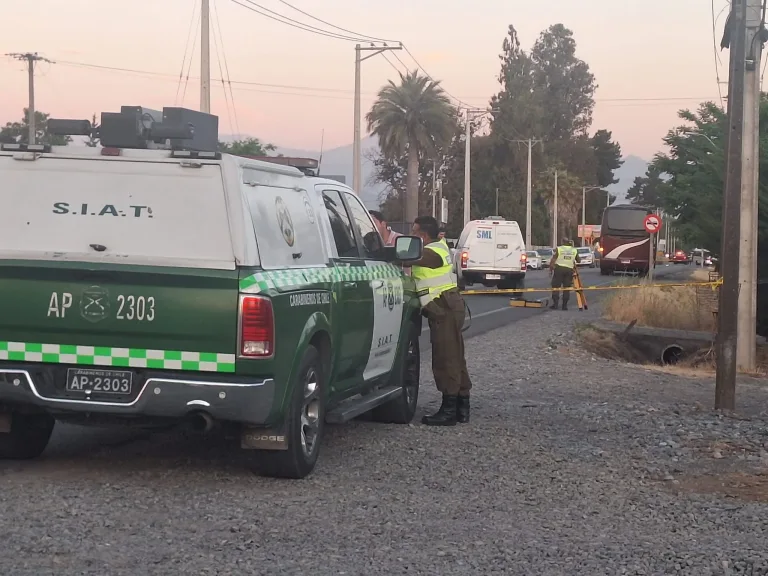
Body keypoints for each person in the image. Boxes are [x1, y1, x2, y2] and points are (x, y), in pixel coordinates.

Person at [409, 215, 472, 426]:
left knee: (446, 358)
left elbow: (410, 257)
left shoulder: (432, 251)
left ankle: (449, 410)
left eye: (414, 232)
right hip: (447, 304)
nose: (411, 235)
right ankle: (462, 406)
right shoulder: (439, 247)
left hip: (443, 307)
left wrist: (387, 253)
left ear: (423, 235)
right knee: (455, 356)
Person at [548, 238, 580, 310]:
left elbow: (553, 260)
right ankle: (564, 306)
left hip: (559, 269)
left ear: (563, 242)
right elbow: (579, 260)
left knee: (556, 287)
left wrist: (550, 269)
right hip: (569, 270)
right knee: (567, 288)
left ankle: (555, 305)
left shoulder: (559, 249)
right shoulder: (574, 250)